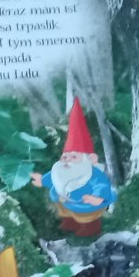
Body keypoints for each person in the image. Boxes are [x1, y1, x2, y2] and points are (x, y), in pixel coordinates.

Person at [32, 97, 116, 237]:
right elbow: (54, 176)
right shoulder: (62, 170)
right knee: (63, 209)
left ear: (91, 159)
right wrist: (42, 180)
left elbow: (101, 185)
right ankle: (70, 223)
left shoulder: (93, 174)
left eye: (74, 157)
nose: (67, 160)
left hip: (86, 204)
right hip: (66, 202)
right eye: (65, 157)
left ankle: (91, 228)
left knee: (89, 217)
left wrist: (97, 198)